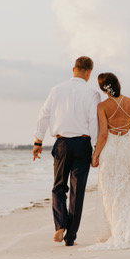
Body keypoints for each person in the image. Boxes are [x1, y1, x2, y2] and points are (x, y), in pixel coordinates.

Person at [84, 72, 130, 250]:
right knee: (126, 191)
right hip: (126, 150)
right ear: (118, 84)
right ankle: (125, 231)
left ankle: (115, 232)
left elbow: (102, 135)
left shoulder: (102, 106)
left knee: (109, 192)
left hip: (109, 151)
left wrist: (95, 156)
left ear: (103, 89)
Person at [33, 56, 101, 246]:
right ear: (89, 73)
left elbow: (44, 115)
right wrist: (96, 150)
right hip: (82, 144)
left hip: (62, 144)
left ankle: (60, 225)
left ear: (73, 69)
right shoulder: (93, 94)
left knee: (59, 187)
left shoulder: (57, 90)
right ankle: (70, 237)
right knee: (77, 193)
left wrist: (38, 141)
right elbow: (93, 123)